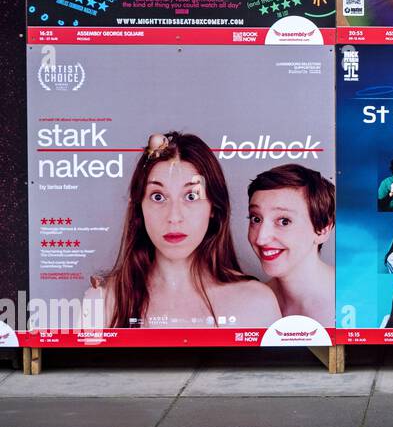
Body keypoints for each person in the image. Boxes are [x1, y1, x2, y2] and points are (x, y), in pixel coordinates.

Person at [101, 132, 281, 329]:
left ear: (213, 206)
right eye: (158, 197)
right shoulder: (104, 302)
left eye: (192, 196)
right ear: (138, 207)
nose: (174, 217)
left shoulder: (256, 303)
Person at [247, 164, 336, 327]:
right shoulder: (253, 304)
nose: (261, 238)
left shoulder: (356, 300)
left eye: (284, 221)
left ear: (322, 230)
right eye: (256, 219)